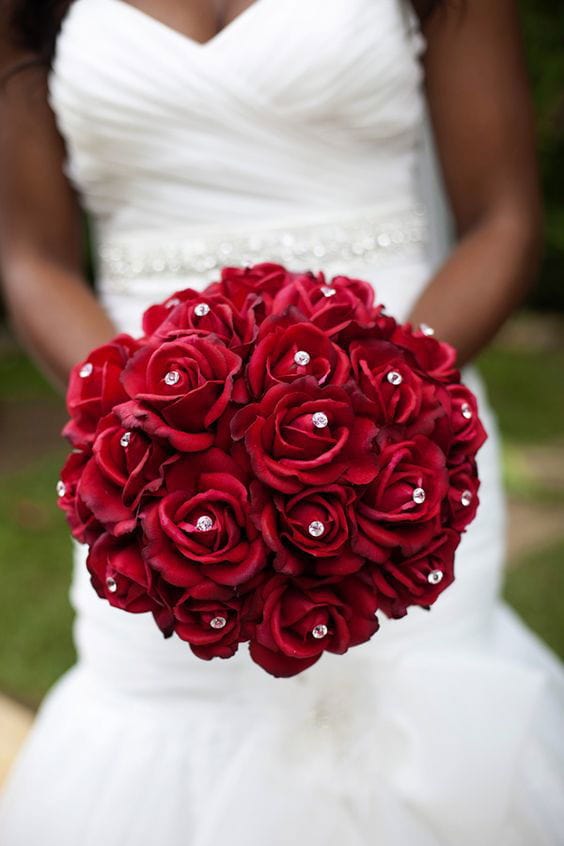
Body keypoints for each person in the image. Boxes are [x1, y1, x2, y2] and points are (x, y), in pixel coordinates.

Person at [0, 1, 563, 843]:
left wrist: (385, 406)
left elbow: (505, 220)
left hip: (394, 439)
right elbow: (29, 256)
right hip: (152, 469)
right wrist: (147, 427)